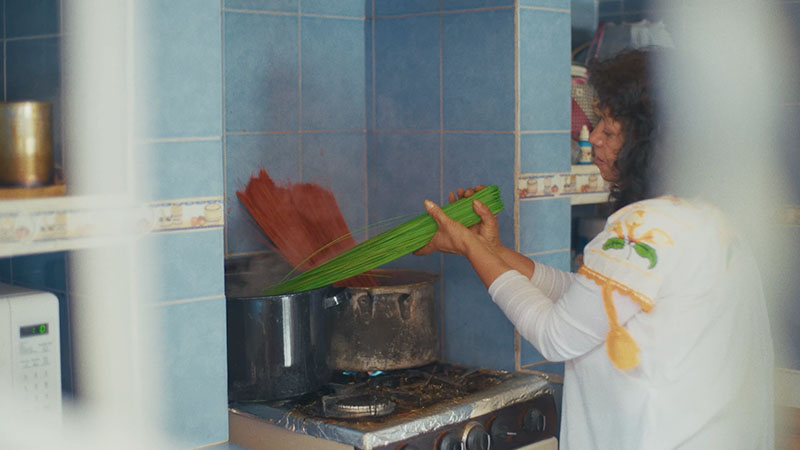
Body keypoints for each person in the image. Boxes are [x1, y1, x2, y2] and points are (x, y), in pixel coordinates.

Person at [415, 49, 774, 450]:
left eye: (609, 125)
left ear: (647, 140)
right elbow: (588, 299)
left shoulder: (646, 228)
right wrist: (490, 249)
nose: (595, 135)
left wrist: (467, 243)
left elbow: (556, 335)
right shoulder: (703, 217)